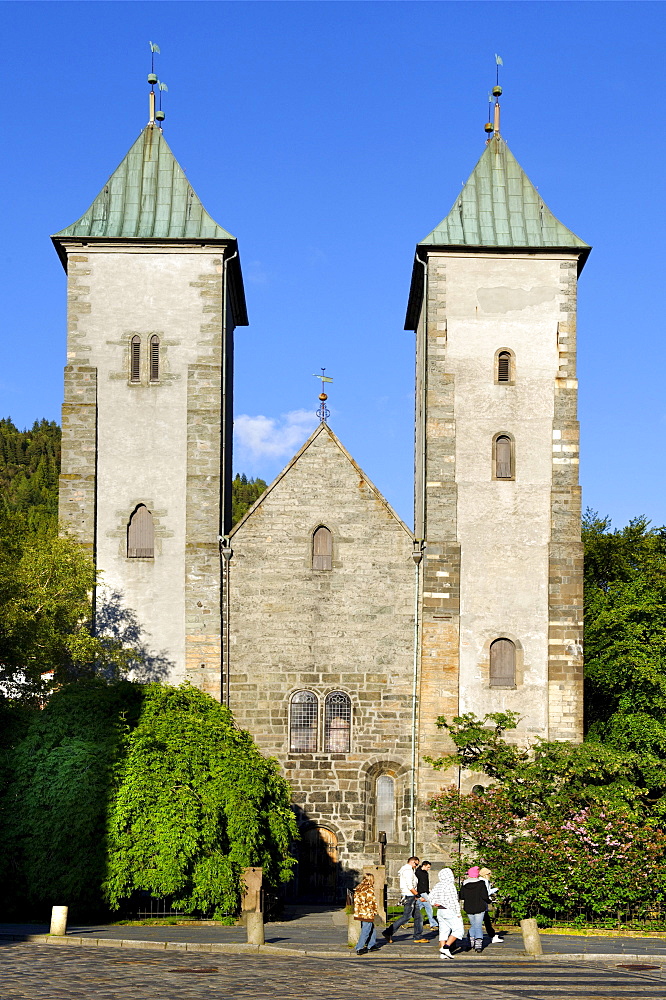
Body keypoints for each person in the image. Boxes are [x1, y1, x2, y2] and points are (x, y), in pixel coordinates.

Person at [382, 856, 429, 944]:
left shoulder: (410, 870)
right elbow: (410, 886)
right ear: (412, 862)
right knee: (406, 916)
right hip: (409, 896)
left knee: (418, 917)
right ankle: (388, 932)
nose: (416, 866)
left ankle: (418, 936)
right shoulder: (408, 871)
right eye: (416, 864)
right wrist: (418, 896)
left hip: (411, 895)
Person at [429, 867, 465, 960]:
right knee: (458, 930)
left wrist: (434, 903)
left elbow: (430, 897)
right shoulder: (450, 885)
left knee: (443, 931)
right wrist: (458, 913)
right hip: (450, 910)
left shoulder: (438, 885)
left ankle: (443, 951)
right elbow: (454, 901)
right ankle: (446, 947)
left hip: (440, 910)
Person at [460, 865, 490, 952]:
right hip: (480, 906)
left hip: (469, 907)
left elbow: (461, 896)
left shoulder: (464, 884)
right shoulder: (481, 884)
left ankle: (470, 941)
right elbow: (484, 896)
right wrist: (489, 901)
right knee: (478, 925)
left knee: (473, 925)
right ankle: (478, 944)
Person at [353, 873, 380, 955]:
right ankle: (359, 947)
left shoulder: (359, 888)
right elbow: (371, 902)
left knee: (371, 928)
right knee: (366, 930)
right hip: (367, 912)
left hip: (360, 912)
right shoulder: (369, 889)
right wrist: (374, 911)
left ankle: (371, 944)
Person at [479, 866, 504, 943]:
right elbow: (487, 892)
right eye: (489, 873)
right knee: (486, 921)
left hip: (479, 903)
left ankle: (492, 935)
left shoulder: (479, 880)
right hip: (483, 904)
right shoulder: (485, 881)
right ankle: (492, 936)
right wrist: (496, 889)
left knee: (479, 921)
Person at [415, 861, 439, 930]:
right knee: (429, 907)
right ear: (424, 865)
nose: (428, 869)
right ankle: (433, 923)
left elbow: (425, 883)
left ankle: (406, 920)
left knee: (418, 907)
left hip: (424, 892)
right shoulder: (418, 872)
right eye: (428, 867)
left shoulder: (425, 873)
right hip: (421, 892)